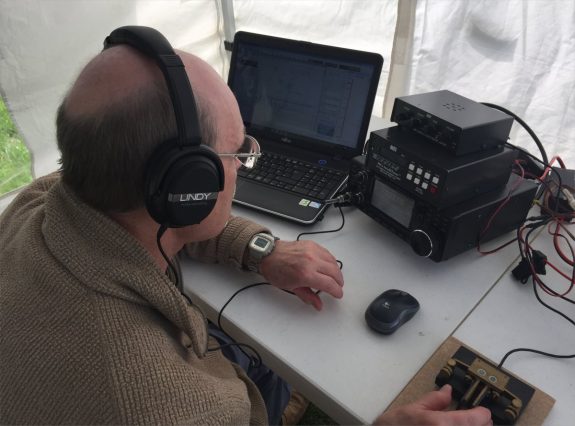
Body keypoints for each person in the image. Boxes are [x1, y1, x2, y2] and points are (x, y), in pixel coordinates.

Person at [0, 26, 491, 426]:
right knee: (261, 370)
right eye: (238, 153)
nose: (244, 163)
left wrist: (261, 249)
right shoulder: (179, 407)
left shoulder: (36, 204)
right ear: (186, 187)